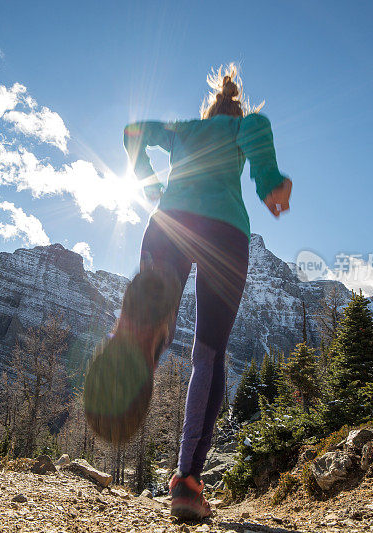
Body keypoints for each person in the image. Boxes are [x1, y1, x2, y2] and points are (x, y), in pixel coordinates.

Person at [122, 64, 292, 520]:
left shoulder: (184, 129)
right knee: (207, 355)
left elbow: (133, 131)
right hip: (224, 234)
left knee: (155, 322)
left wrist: (148, 181)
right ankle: (188, 480)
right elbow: (260, 141)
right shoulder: (244, 124)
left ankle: (141, 341)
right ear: (234, 108)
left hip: (169, 225)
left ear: (208, 109)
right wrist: (270, 184)